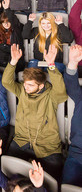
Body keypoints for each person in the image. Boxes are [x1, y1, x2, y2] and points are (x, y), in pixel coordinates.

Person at [2, 44, 67, 178]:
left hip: (47, 146)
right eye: (25, 83)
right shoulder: (22, 90)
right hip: (22, 140)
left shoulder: (50, 95)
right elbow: (7, 82)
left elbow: (61, 93)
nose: (26, 87)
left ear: (41, 85)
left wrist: (51, 65)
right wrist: (13, 62)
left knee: (52, 179)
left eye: (30, 85)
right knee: (7, 169)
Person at [62, 45, 82, 187]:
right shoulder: (81, 97)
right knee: (67, 187)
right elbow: (71, 85)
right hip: (76, 153)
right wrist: (73, 62)